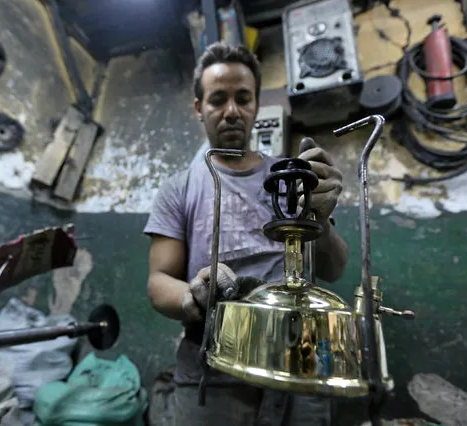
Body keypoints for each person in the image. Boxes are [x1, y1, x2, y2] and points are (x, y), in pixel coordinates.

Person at [143, 42, 349, 426]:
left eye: (243, 98)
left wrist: (320, 221)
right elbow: (158, 281)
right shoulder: (179, 188)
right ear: (198, 107)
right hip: (211, 374)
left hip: (298, 368)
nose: (232, 111)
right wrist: (192, 298)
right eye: (218, 99)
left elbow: (334, 269)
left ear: (256, 104)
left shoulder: (290, 178)